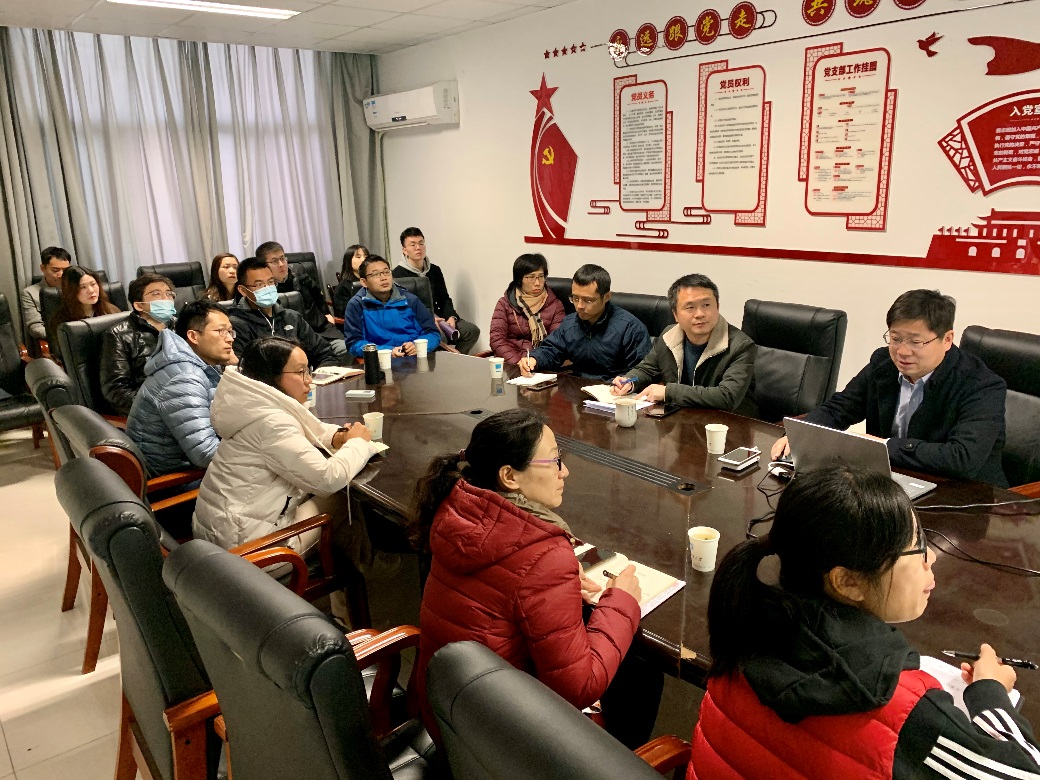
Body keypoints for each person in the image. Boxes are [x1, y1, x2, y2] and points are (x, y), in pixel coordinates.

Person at [688, 465, 1040, 779]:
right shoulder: (910, 714)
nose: (931, 557)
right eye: (916, 545)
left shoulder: (746, 623)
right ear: (848, 581)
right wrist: (990, 694)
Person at [414, 408, 662, 749]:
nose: (565, 471)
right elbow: (579, 687)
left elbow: (506, 584)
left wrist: (553, 578)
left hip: (450, 721)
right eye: (555, 461)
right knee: (643, 668)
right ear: (509, 476)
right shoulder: (543, 556)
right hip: (509, 748)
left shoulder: (454, 510)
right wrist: (621, 600)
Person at [770, 289, 1007, 487]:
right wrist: (803, 433)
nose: (902, 351)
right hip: (892, 484)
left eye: (915, 342)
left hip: (966, 498)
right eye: (896, 339)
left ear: (946, 339)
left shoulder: (981, 385)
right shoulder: (883, 363)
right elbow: (839, 408)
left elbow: (962, 458)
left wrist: (882, 446)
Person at [192, 336, 381, 566]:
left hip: (219, 535)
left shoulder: (251, 405)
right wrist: (357, 443)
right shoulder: (272, 423)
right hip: (249, 552)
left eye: (308, 370)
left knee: (332, 504)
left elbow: (304, 426)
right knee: (343, 498)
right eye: (301, 372)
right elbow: (328, 479)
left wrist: (337, 436)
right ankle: (363, 570)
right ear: (272, 376)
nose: (309, 380)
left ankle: (355, 568)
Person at [610, 274, 757, 416]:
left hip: (729, 424)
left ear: (717, 307)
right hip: (682, 418)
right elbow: (647, 370)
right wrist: (630, 381)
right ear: (675, 314)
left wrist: (668, 392)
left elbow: (727, 396)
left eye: (706, 305)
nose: (699, 314)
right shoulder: (669, 336)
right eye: (690, 307)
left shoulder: (741, 346)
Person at [125, 300, 235, 475]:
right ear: (193, 336)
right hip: (178, 479)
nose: (229, 338)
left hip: (191, 467)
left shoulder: (199, 365)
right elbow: (205, 453)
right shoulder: (184, 377)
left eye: (230, 331)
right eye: (220, 331)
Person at [518, 264, 651, 381]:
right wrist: (534, 359)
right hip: (578, 390)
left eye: (588, 300)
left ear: (606, 297)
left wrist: (627, 381)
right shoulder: (571, 323)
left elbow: (643, 371)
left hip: (613, 391)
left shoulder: (630, 328)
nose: (579, 306)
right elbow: (552, 350)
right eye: (575, 298)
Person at [228, 256, 340, 368]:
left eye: (270, 282)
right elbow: (241, 368)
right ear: (243, 290)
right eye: (259, 285)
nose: (267, 288)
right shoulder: (235, 324)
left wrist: (319, 374)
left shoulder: (292, 317)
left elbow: (325, 352)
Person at [393, 227, 481, 354]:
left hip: (441, 317)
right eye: (413, 244)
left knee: (471, 331)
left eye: (421, 243)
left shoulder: (434, 270)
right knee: (440, 337)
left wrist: (451, 317)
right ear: (404, 250)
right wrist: (429, 320)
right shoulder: (397, 275)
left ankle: (455, 360)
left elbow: (444, 298)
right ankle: (446, 361)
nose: (418, 248)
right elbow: (402, 308)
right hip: (419, 322)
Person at [100, 273, 177, 416]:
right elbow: (116, 390)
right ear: (139, 305)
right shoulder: (118, 335)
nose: (166, 299)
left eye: (169, 294)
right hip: (154, 411)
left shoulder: (182, 327)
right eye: (157, 294)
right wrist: (158, 406)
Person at [256, 241, 347, 358]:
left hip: (319, 329)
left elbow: (317, 293)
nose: (281, 264)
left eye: (283, 258)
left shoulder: (298, 271)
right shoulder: (263, 290)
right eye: (274, 261)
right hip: (290, 337)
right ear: (263, 266)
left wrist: (326, 313)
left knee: (345, 349)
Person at [343, 256, 441, 357]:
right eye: (376, 274)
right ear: (364, 282)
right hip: (380, 361)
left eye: (386, 272)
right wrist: (388, 352)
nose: (383, 278)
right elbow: (354, 344)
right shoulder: (356, 305)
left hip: (414, 358)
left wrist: (418, 346)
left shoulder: (410, 300)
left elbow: (433, 334)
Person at [489, 253, 566, 365]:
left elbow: (556, 343)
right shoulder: (505, 304)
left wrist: (534, 362)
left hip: (541, 364)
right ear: (519, 279)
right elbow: (497, 340)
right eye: (531, 278)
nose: (537, 283)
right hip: (511, 364)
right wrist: (518, 363)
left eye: (541, 277)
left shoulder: (555, 305)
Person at [49, 267, 120, 362]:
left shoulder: (111, 310)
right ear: (71, 291)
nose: (91, 290)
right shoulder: (61, 320)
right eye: (83, 287)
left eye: (93, 284)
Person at [21, 246, 71, 343]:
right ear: (43, 268)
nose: (61, 274)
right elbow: (34, 327)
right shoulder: (30, 293)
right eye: (55, 270)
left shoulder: (77, 287)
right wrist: (63, 336)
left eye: (65, 270)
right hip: (55, 340)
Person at [332, 244, 368, 318]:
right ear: (349, 261)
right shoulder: (343, 287)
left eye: (366, 256)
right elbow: (345, 314)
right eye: (358, 257)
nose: (363, 260)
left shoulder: (372, 281)